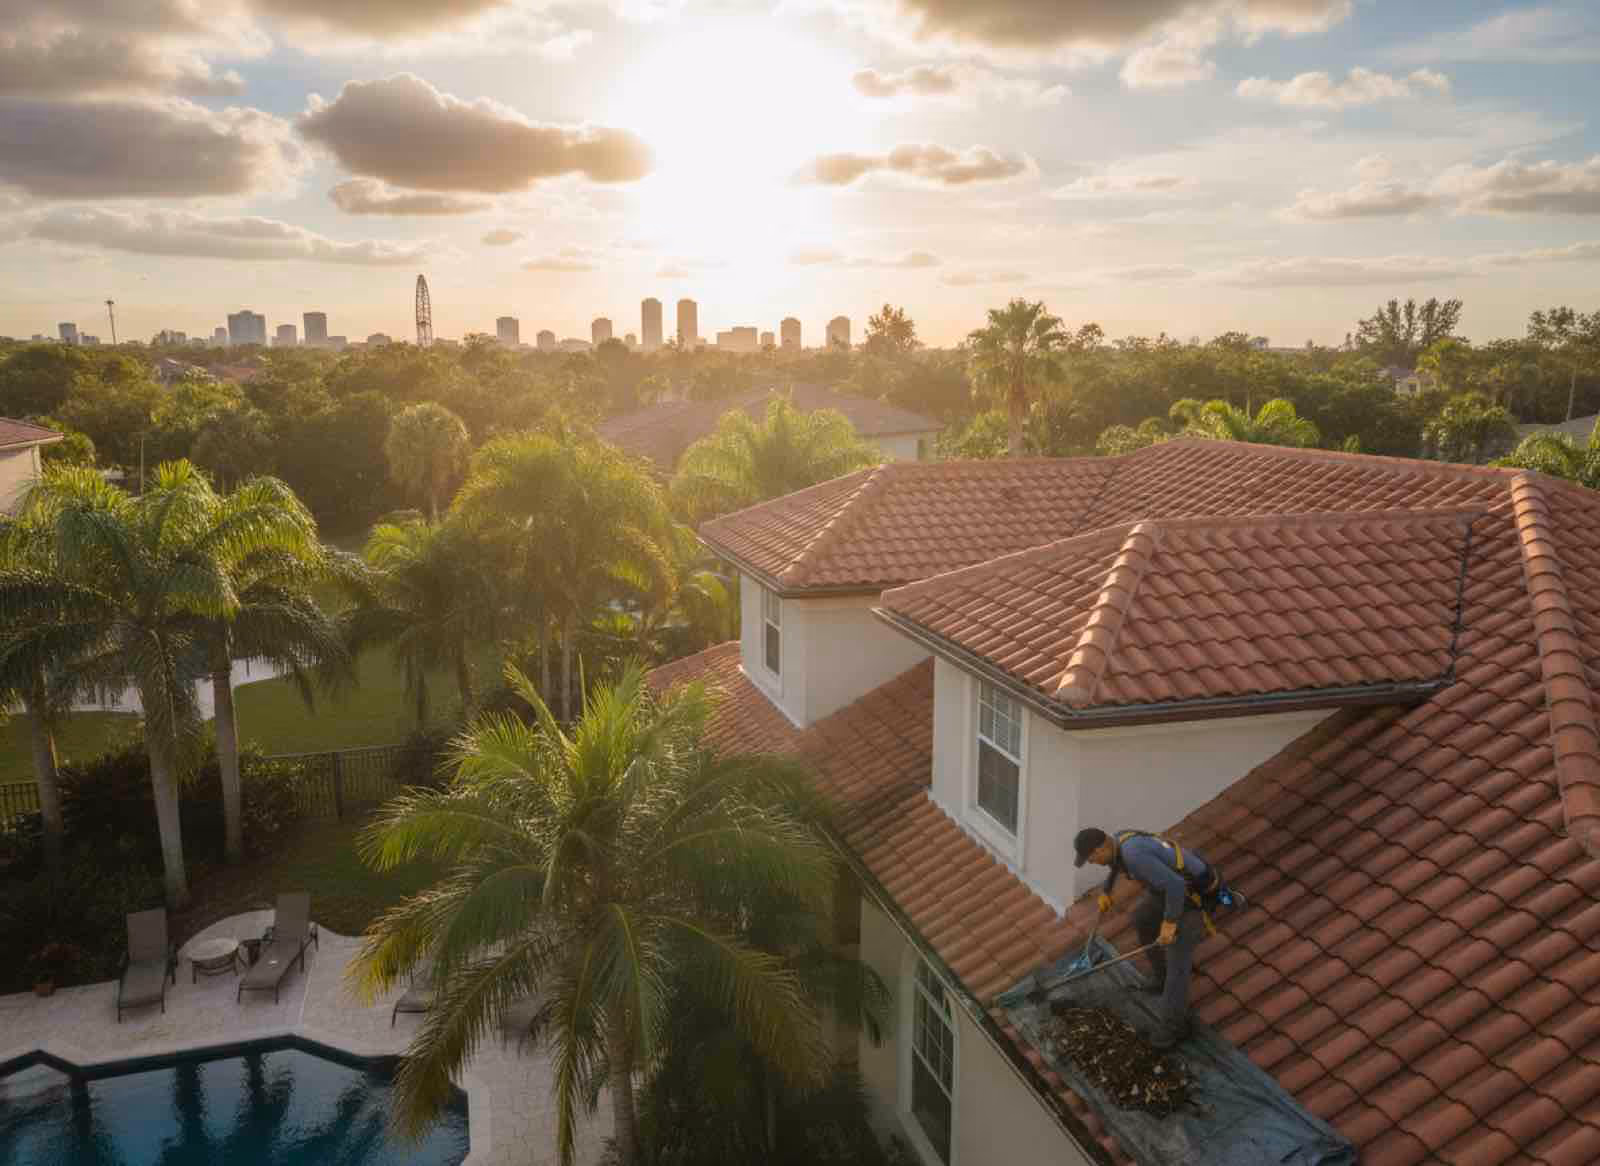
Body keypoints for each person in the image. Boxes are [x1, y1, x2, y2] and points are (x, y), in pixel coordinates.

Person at [1073, 826, 1227, 1049]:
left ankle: (1174, 1027)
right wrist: (1106, 890)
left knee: (1177, 960)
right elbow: (1115, 865)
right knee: (1142, 919)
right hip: (1169, 892)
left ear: (1101, 848)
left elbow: (1176, 884)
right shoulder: (1117, 842)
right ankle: (1160, 977)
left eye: (1091, 858)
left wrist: (1170, 923)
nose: (1092, 863)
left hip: (1193, 898)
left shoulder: (1134, 855)